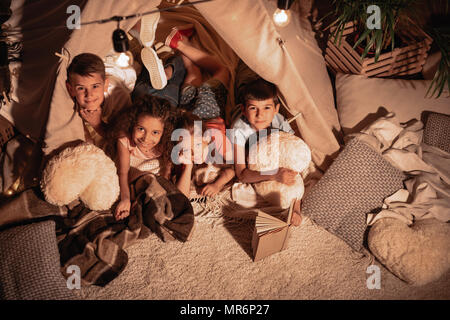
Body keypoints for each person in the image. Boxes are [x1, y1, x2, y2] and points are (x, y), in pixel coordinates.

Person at [231, 78, 303, 226]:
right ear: (244, 110)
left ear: (276, 109)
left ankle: (294, 209)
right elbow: (242, 175)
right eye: (253, 108)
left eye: (267, 108)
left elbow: (291, 158)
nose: (260, 115)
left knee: (297, 168)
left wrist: (295, 207)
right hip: (253, 152)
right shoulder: (238, 131)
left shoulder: (279, 121)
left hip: (267, 146)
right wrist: (274, 175)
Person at [109, 95, 174, 220]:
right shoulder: (125, 140)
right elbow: (123, 172)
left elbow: (167, 172)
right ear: (132, 124)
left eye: (155, 132)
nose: (146, 138)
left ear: (164, 132)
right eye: (141, 129)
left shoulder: (166, 142)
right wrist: (125, 199)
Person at [171, 111, 234, 198]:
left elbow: (232, 170)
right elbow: (181, 196)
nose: (194, 153)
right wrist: (188, 166)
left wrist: (217, 185)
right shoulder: (182, 156)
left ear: (206, 139)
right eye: (187, 149)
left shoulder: (218, 141)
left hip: (213, 123)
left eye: (198, 145)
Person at [66, 53, 110, 146]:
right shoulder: (72, 106)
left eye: (95, 86)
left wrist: (98, 125)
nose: (89, 95)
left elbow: (122, 138)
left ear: (105, 85)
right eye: (81, 88)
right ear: (71, 90)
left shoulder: (119, 98)